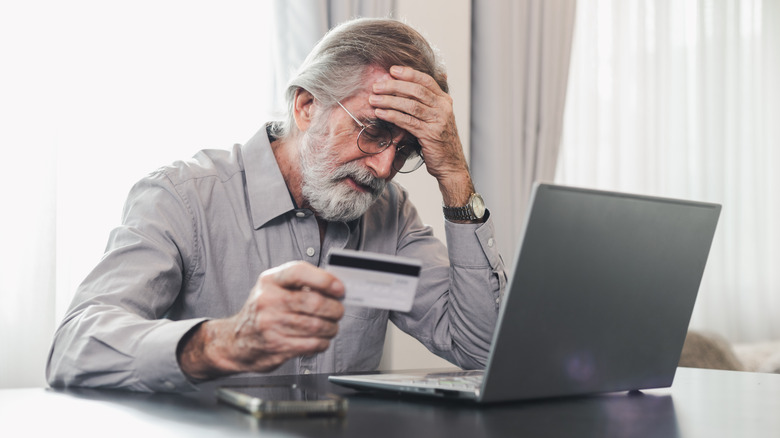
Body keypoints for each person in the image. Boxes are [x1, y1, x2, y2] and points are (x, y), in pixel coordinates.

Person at [46, 17, 506, 392]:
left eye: (406, 150)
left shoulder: (389, 215)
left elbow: (480, 349)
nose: (385, 168)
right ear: (306, 106)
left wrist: (454, 175)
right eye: (373, 132)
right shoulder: (184, 198)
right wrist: (222, 342)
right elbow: (74, 347)